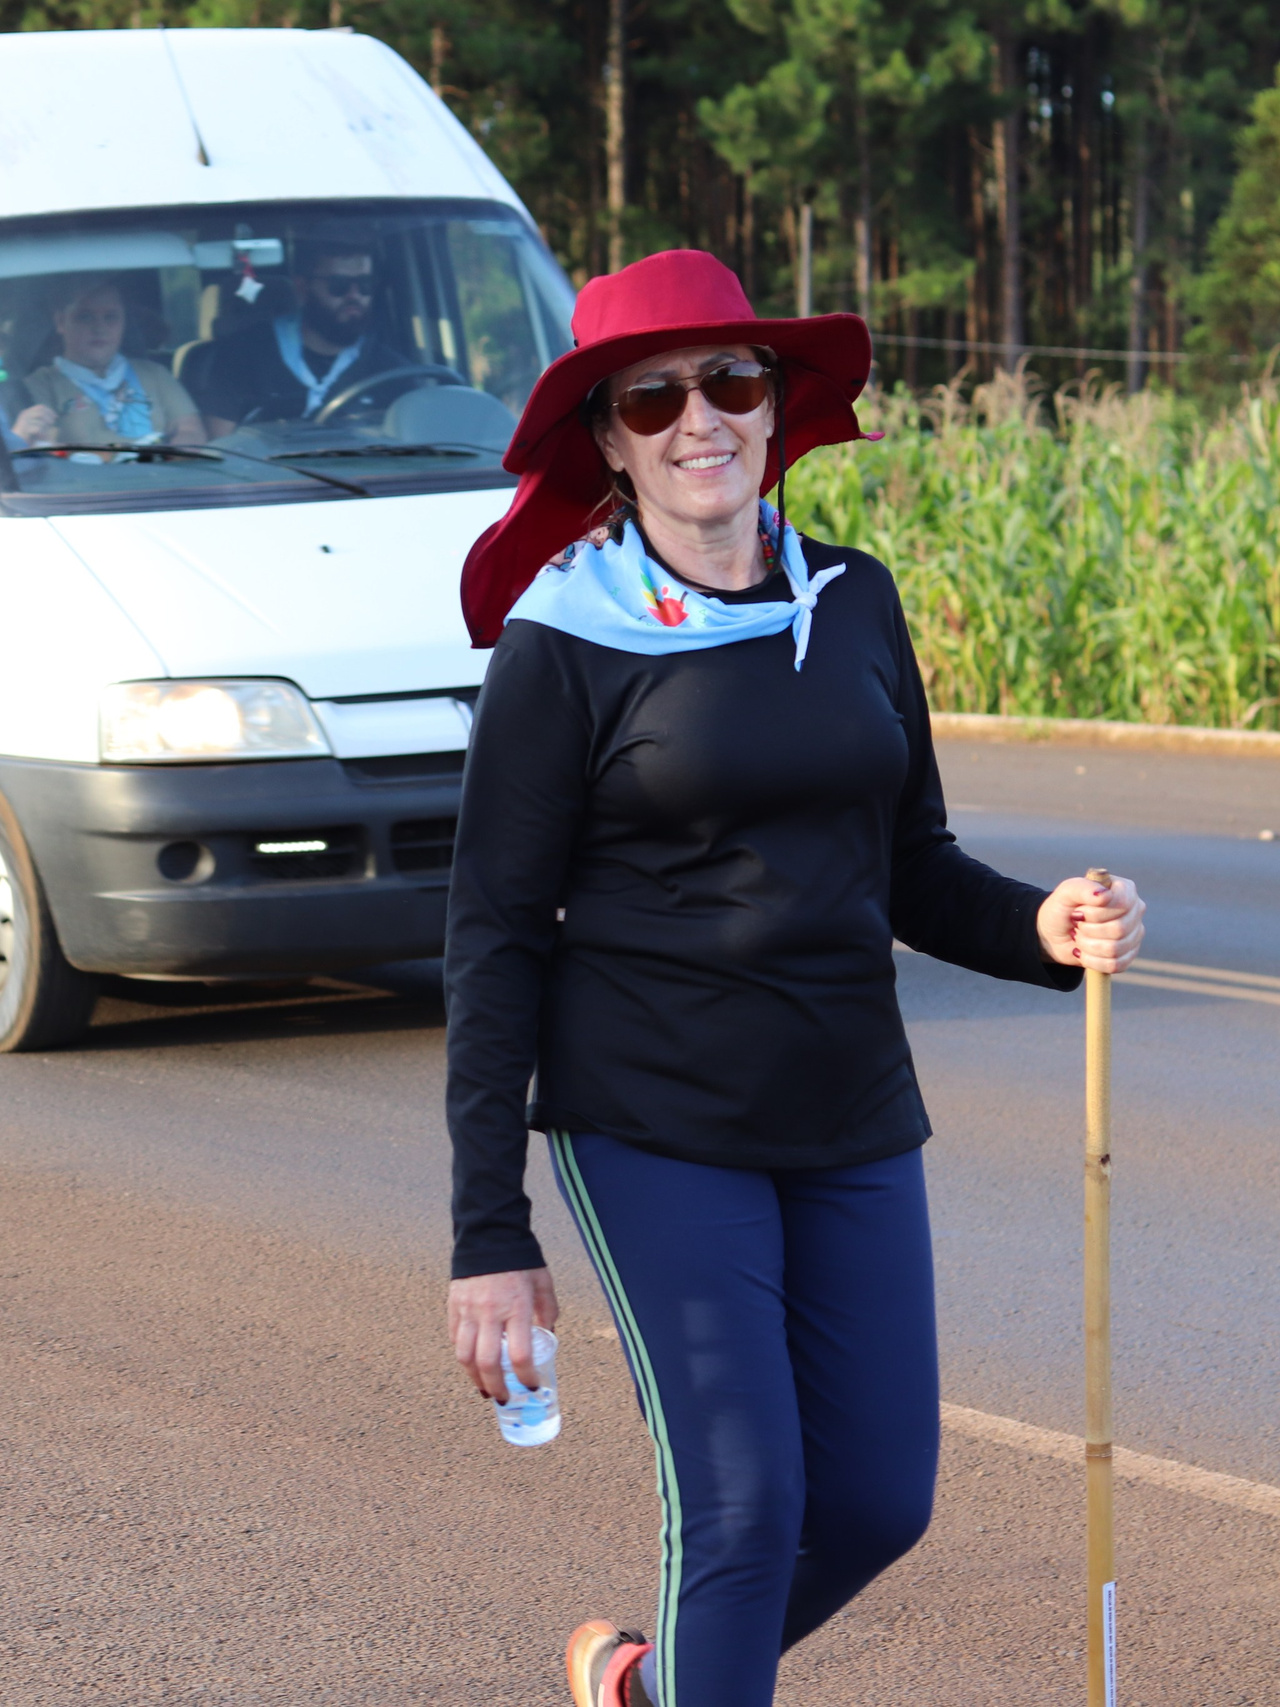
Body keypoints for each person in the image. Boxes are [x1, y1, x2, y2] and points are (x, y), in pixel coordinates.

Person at [439, 250, 1147, 1707]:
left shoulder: (853, 599)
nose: (698, 418)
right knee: (745, 1510)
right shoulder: (565, 644)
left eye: (730, 380)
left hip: (849, 1112)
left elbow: (915, 864)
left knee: (878, 1501)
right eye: (653, 397)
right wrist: (487, 1232)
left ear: (774, 407)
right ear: (608, 440)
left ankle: (651, 1687)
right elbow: (493, 937)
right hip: (650, 1119)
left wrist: (1048, 926)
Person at [192, 238, 406, 435]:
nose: (354, 295)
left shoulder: (391, 369)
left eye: (365, 284)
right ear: (303, 287)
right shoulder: (241, 358)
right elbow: (222, 446)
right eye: (338, 285)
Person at [10, 275, 206, 449]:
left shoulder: (155, 374)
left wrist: (174, 456)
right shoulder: (39, 385)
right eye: (85, 317)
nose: (99, 328)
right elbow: (42, 445)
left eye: (110, 317)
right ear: (61, 322)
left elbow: (191, 430)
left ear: (123, 322)